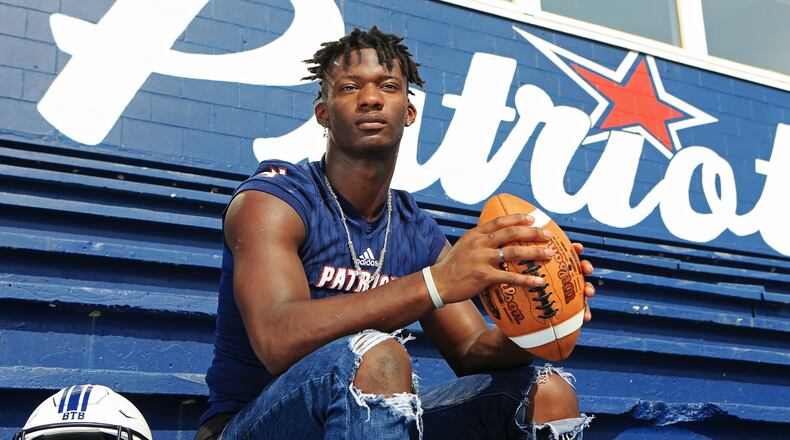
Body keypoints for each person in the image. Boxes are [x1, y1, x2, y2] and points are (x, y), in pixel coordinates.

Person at [196, 26, 595, 440]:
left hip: (365, 420)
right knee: (376, 355)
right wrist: (435, 282)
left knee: (545, 391)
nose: (370, 98)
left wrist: (548, 323)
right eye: (349, 87)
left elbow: (472, 351)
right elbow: (276, 339)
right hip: (249, 425)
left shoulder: (413, 228)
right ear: (324, 113)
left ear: (409, 111)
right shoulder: (277, 199)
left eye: (388, 86)